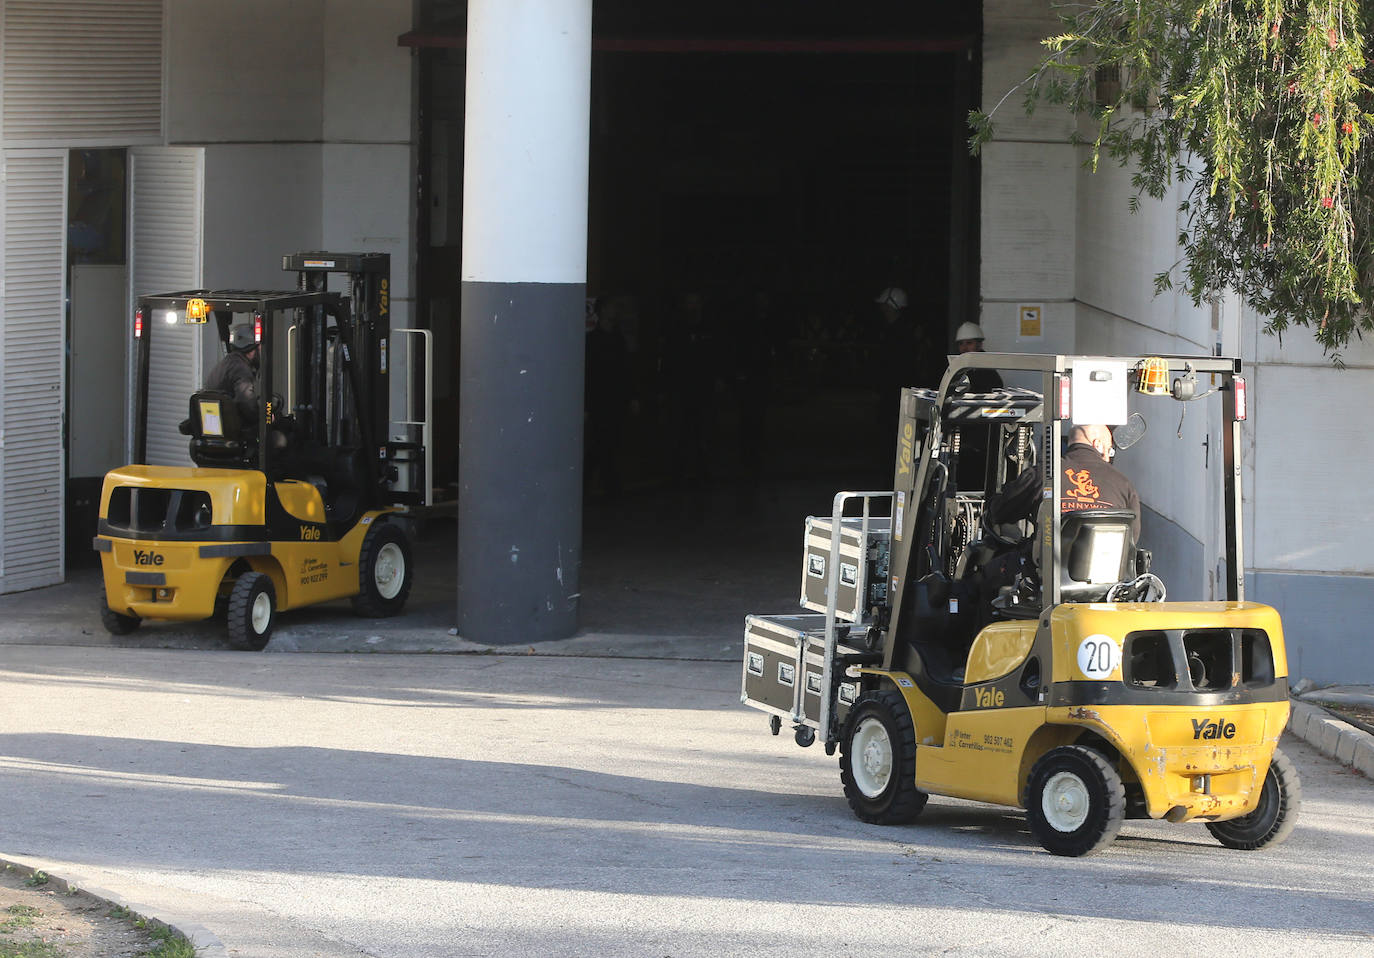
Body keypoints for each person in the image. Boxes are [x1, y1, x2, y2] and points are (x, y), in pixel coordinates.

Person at [1061, 423, 1141, 541]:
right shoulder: (1124, 484)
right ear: (1097, 444)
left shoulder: (1042, 474)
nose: (1108, 458)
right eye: (1109, 450)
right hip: (1107, 558)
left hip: (1050, 558)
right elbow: (1133, 539)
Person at [204, 323, 263, 424]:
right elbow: (246, 402)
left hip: (219, 423)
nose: (261, 350)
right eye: (259, 347)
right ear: (251, 349)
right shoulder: (241, 369)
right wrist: (264, 417)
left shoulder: (226, 363)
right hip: (231, 427)